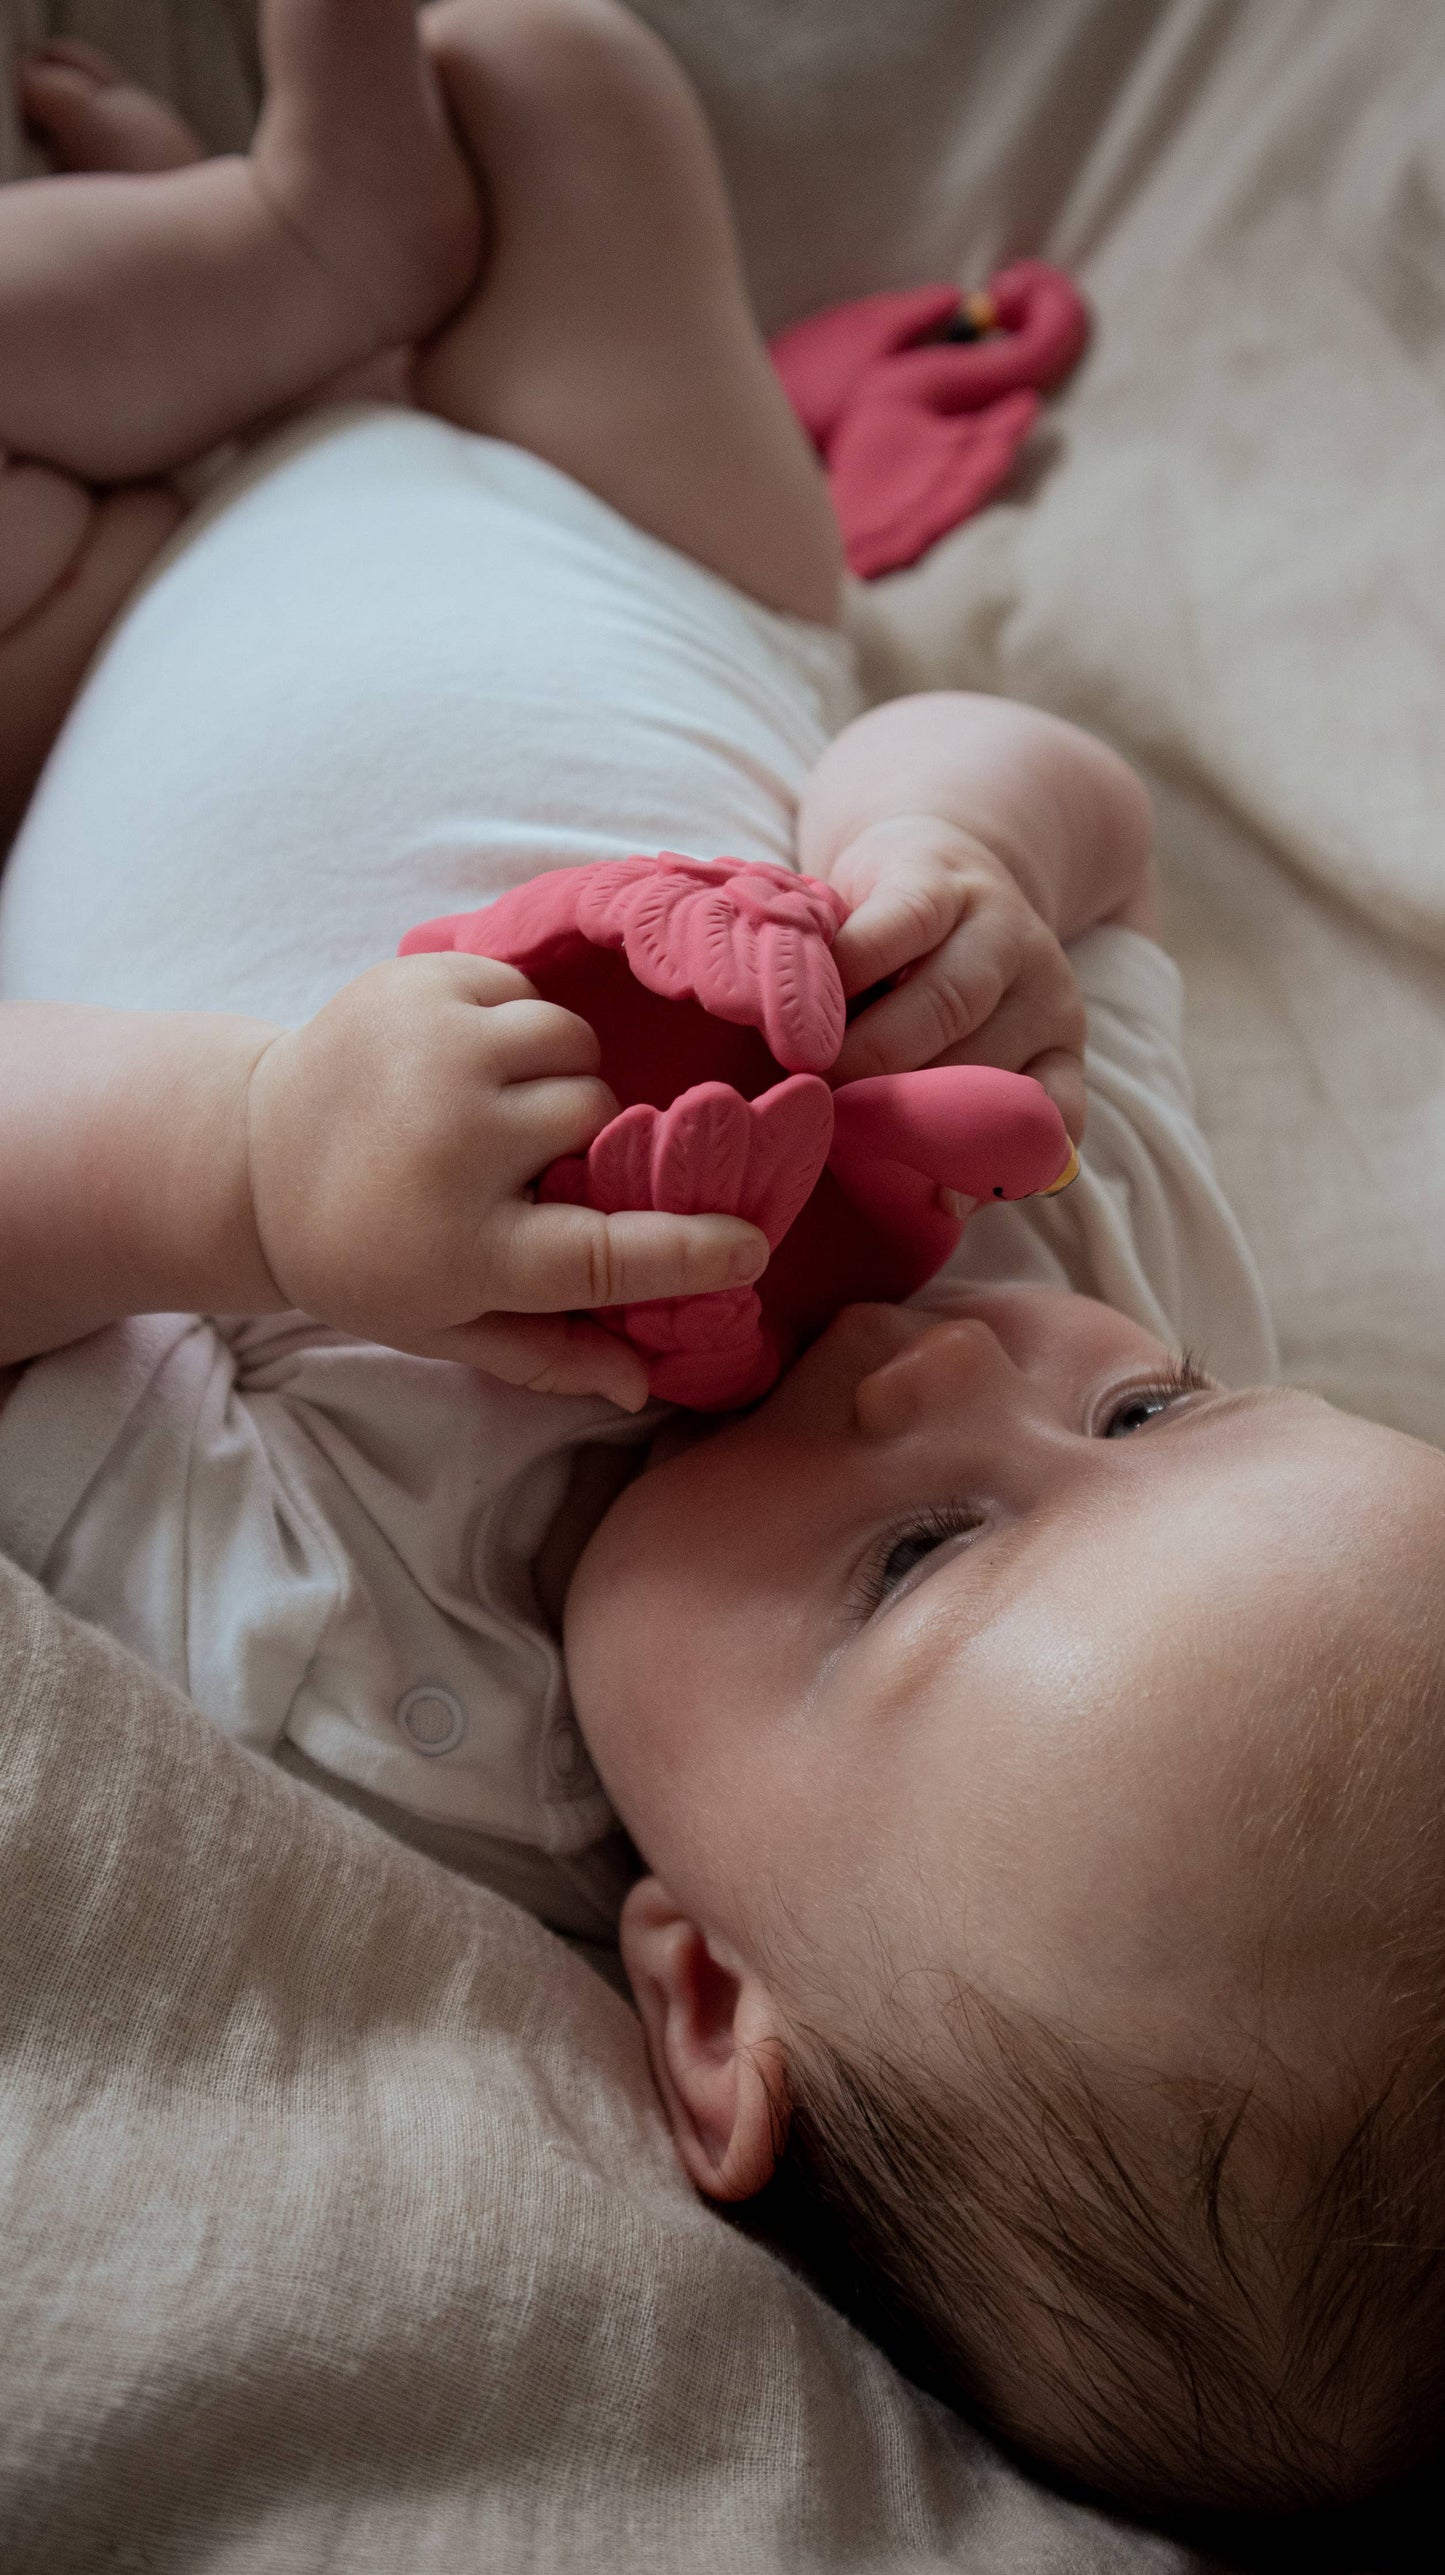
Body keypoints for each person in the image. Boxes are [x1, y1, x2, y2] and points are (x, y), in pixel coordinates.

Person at [1, 0, 1443, 2521]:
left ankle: (273, 274)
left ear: (704, 1993)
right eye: (1158, 1414)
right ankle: (304, 300)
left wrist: (247, 1173)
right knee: (559, 79)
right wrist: (964, 852)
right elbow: (1067, 799)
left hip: (89, 670)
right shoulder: (1084, 1229)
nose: (957, 1363)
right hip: (621, 529)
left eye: (920, 1562)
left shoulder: (364, 1663)